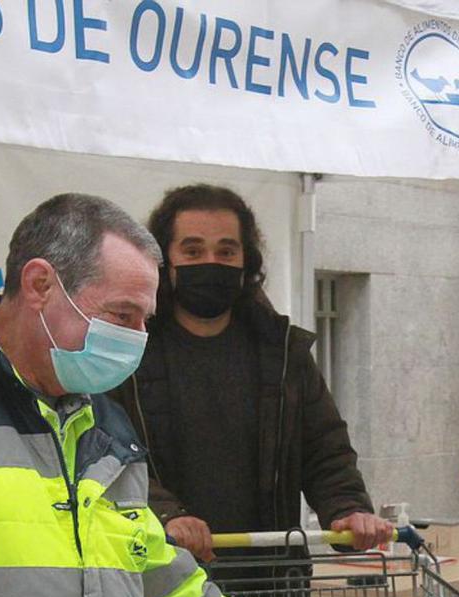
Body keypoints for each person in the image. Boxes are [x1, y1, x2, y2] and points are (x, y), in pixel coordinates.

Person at [0, 194, 333, 597]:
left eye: (145, 321)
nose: (137, 338)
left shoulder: (107, 429)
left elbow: (163, 593)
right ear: (40, 284)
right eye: (122, 315)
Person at [112, 184, 391, 563]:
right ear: (164, 262)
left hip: (271, 585)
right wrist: (167, 515)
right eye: (193, 251)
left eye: (226, 251)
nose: (211, 261)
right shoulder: (129, 355)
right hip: (167, 580)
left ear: (247, 262)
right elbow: (110, 456)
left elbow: (326, 450)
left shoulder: (284, 354)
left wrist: (347, 508)